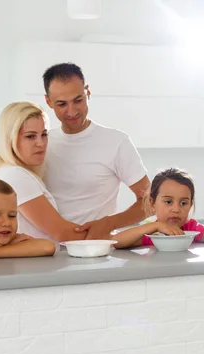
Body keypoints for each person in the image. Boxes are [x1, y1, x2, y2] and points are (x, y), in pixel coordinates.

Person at [42, 62, 150, 240]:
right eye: (61, 104)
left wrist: (109, 223)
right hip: (46, 251)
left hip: (96, 249)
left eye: (78, 100)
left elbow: (150, 202)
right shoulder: (42, 143)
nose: (72, 111)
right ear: (48, 102)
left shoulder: (116, 142)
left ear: (88, 92)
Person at [0, 101, 88, 243]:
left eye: (44, 134)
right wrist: (113, 234)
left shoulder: (10, 172)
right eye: (30, 136)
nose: (41, 143)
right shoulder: (17, 176)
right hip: (34, 264)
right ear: (10, 139)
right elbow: (63, 233)